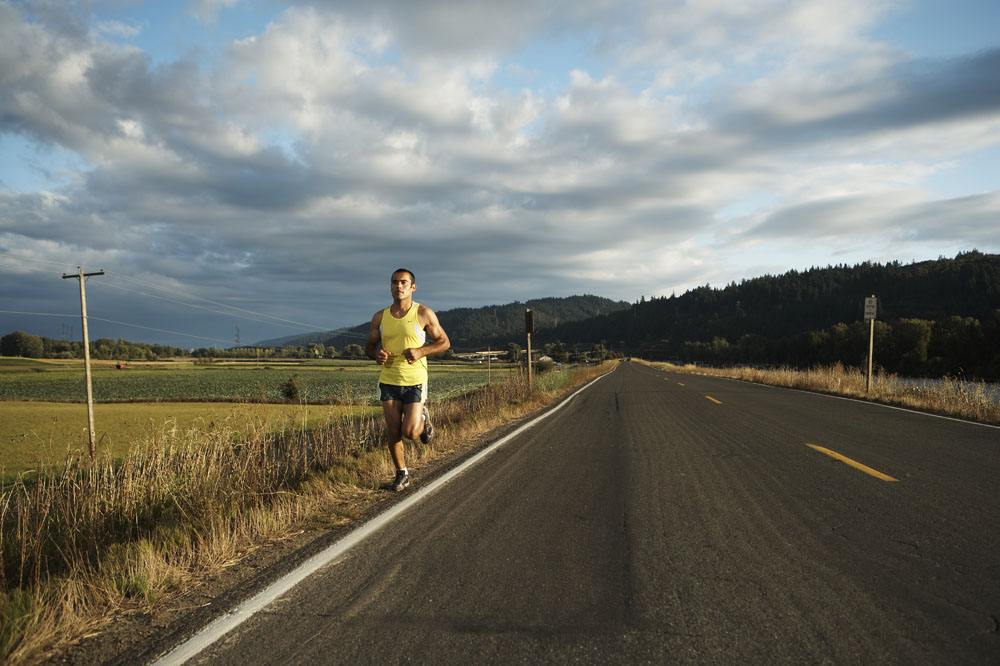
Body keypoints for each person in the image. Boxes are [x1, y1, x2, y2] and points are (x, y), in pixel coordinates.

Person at [366, 268, 451, 491]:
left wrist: (421, 352)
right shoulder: (380, 317)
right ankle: (401, 474)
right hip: (389, 380)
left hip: (415, 380)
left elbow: (444, 342)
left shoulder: (423, 313)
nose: (399, 286)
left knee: (411, 432)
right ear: (390, 286)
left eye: (404, 282)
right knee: (393, 431)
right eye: (395, 282)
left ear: (413, 287)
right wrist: (376, 354)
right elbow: (369, 346)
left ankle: (423, 417)